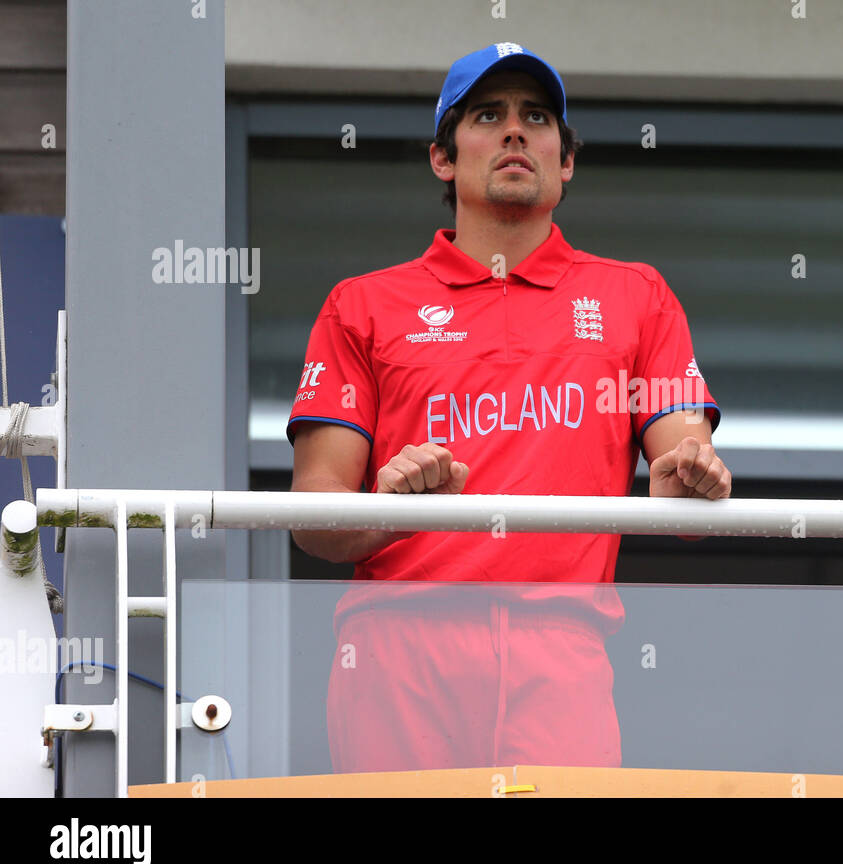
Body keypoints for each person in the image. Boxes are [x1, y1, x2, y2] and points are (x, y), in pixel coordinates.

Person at [286, 42, 730, 775]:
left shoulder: (637, 296)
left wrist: (690, 474)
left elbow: (684, 464)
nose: (516, 130)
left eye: (538, 117)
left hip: (561, 643)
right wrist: (390, 509)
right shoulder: (361, 304)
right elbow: (312, 515)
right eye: (488, 115)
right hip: (398, 639)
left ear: (567, 161)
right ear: (442, 158)